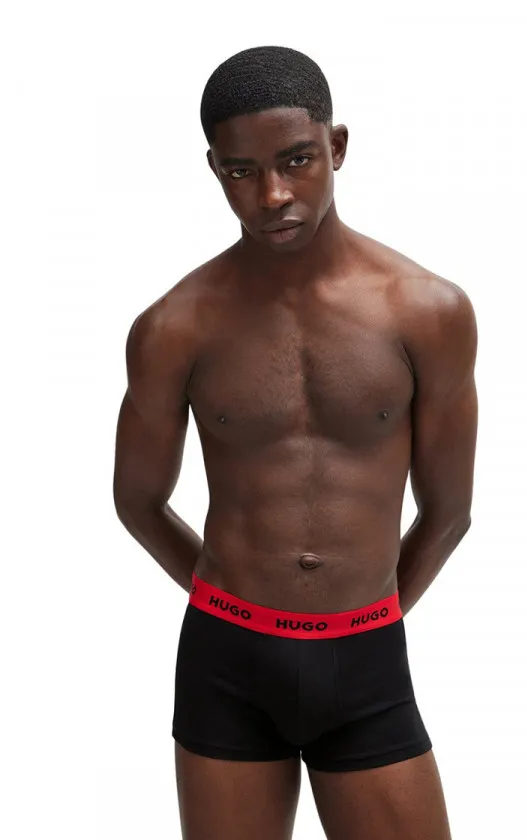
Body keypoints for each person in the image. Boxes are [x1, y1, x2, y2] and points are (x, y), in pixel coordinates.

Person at [113, 44, 478, 840]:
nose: (272, 194)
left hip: (367, 661)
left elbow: (450, 511)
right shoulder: (173, 328)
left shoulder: (428, 312)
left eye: (296, 160)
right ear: (215, 169)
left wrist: (364, 623)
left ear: (336, 146)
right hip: (226, 665)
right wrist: (232, 605)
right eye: (241, 171)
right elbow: (137, 502)